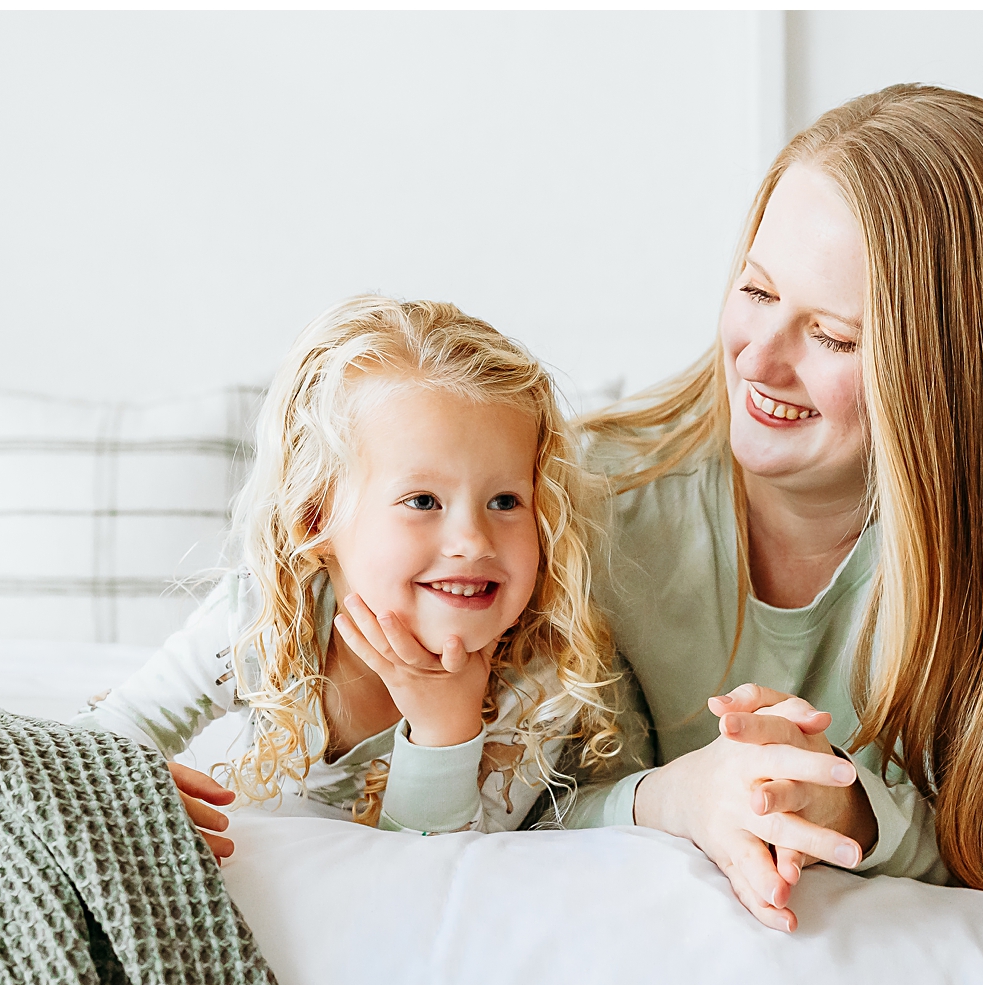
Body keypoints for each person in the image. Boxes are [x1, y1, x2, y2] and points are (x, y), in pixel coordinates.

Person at [563, 84, 983, 932]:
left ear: (957, 380)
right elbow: (503, 802)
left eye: (834, 337)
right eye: (759, 293)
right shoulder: (584, 508)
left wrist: (846, 808)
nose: (760, 361)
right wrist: (676, 794)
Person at [74, 296, 619, 855]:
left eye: (505, 501)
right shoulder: (268, 612)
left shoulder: (538, 680)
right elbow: (100, 740)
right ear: (316, 518)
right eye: (424, 500)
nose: (473, 541)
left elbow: (436, 874)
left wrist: (444, 730)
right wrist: (132, 788)